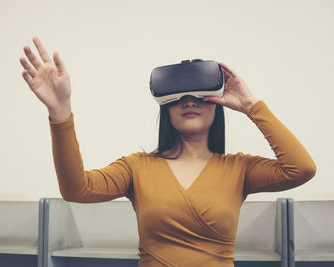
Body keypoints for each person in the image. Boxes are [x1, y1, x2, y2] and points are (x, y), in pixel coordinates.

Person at [20, 36, 317, 267]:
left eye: (199, 95)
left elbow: (301, 168)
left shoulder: (239, 169)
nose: (189, 101)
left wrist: (252, 105)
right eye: (179, 97)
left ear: (217, 104)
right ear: (165, 107)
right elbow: (77, 190)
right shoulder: (137, 167)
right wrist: (60, 112)